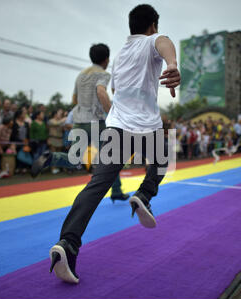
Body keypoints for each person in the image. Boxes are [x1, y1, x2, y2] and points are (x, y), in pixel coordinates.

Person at [47, 4, 180, 284]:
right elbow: (164, 42)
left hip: (117, 125)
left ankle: (68, 242)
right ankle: (143, 195)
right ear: (153, 24)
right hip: (145, 125)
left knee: (96, 185)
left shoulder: (121, 56)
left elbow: (117, 91)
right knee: (162, 159)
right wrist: (172, 65)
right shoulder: (151, 41)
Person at [67, 43, 128, 199]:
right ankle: (116, 191)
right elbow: (101, 91)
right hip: (97, 122)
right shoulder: (103, 74)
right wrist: (112, 113)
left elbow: (74, 99)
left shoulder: (81, 75)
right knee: (112, 156)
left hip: (80, 121)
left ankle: (50, 159)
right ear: (106, 59)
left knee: (73, 158)